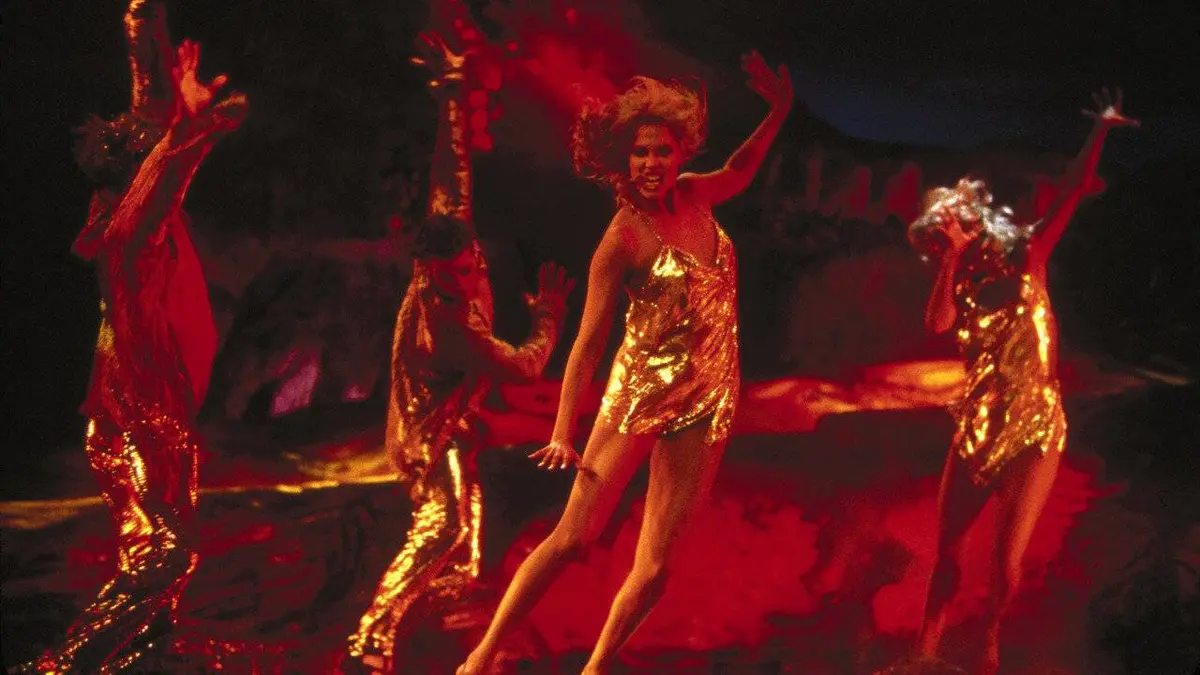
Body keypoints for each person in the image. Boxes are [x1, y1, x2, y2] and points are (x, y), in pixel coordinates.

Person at [458, 51, 793, 675]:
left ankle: (596, 668)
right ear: (623, 160)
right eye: (640, 153)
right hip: (638, 396)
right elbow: (588, 343)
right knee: (574, 538)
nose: (651, 163)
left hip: (708, 396)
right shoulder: (623, 237)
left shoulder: (697, 197)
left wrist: (779, 111)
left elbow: (742, 168)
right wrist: (563, 430)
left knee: (658, 566)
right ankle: (480, 658)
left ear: (680, 155)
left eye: (662, 151)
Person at [23, 2, 248, 672]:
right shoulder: (129, 238)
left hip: (132, 419)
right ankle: (67, 662)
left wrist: (144, 26)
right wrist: (201, 127)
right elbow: (169, 164)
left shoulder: (121, 211)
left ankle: (148, 648)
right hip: (142, 423)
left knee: (148, 541)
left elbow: (150, 114)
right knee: (170, 551)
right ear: (138, 175)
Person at [342, 33, 574, 674]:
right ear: (427, 270)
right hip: (425, 438)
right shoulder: (448, 326)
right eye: (448, 274)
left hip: (452, 424)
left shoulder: (454, 237)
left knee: (466, 560)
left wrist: (450, 89)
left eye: (468, 265)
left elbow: (452, 172)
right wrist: (548, 318)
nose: (464, 278)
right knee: (441, 529)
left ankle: (426, 623)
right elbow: (524, 365)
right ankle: (371, 639)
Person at [906, 89, 1137, 674]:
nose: (951, 233)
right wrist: (951, 262)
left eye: (958, 225)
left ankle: (990, 642)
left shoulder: (1028, 257)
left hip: (1034, 423)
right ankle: (924, 652)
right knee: (948, 552)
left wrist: (1100, 130)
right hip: (978, 423)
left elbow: (1072, 191)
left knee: (1004, 562)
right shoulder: (959, 282)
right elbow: (935, 326)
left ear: (979, 224)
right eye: (943, 233)